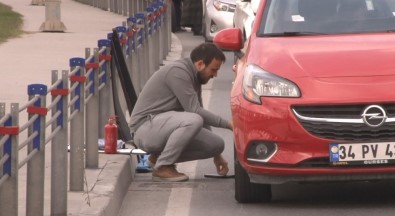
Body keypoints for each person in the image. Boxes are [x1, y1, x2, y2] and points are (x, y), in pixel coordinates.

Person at [129, 43, 233, 182]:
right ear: (200, 64)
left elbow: (201, 113)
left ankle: (158, 157)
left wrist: (217, 155)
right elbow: (196, 112)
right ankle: (163, 166)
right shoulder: (178, 73)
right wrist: (229, 124)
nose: (215, 75)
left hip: (159, 128)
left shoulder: (194, 77)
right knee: (193, 120)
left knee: (216, 144)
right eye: (213, 70)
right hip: (144, 129)